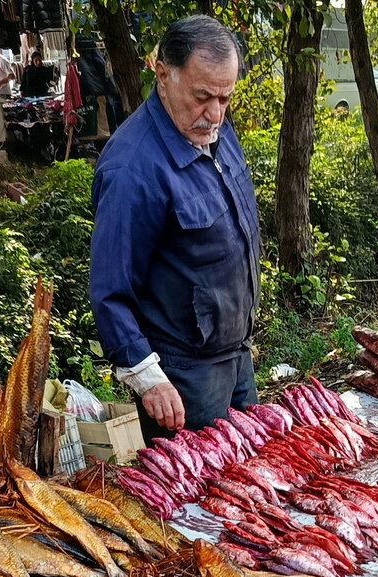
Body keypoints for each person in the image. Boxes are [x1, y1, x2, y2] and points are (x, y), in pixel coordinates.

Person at [88, 15, 259, 437]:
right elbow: (110, 292)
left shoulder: (215, 128)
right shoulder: (132, 168)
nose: (214, 114)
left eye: (225, 98)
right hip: (182, 380)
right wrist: (149, 379)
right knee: (204, 479)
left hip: (236, 358)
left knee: (257, 467)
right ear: (163, 74)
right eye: (203, 97)